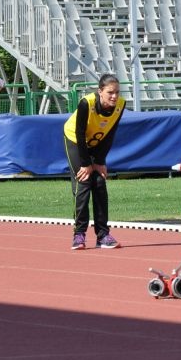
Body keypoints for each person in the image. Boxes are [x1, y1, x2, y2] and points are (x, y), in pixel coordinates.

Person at [63, 74, 126, 250]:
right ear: (100, 92)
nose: (114, 96)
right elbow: (80, 133)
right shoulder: (87, 103)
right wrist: (86, 164)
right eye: (110, 93)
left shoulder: (120, 105)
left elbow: (110, 133)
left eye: (117, 92)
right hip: (76, 140)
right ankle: (79, 234)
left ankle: (103, 235)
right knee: (83, 181)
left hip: (97, 143)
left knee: (99, 182)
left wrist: (99, 161)